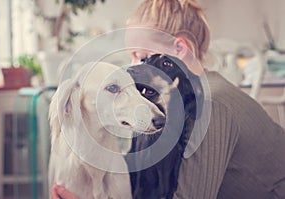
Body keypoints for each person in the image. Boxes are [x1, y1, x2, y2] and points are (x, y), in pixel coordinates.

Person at [51, 0, 285, 198]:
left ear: (180, 48)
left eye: (141, 57)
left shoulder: (212, 105)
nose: (132, 70)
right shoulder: (164, 103)